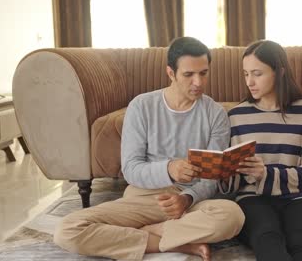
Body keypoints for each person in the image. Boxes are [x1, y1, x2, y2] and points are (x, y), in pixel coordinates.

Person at [54, 37, 245, 261]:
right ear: (171, 73)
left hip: (191, 201)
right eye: (188, 74)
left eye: (203, 73)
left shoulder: (216, 114)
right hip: (147, 197)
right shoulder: (142, 106)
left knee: (233, 216)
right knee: (68, 229)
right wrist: (169, 169)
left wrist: (187, 198)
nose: (198, 82)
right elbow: (131, 169)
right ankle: (177, 243)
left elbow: (211, 179)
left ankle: (146, 232)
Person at [219, 40, 302, 261]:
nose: (249, 81)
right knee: (268, 240)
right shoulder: (236, 117)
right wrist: (222, 171)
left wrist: (265, 174)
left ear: (279, 72)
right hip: (253, 198)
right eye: (245, 73)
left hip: (301, 197)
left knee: (301, 244)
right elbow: (231, 185)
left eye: (257, 73)